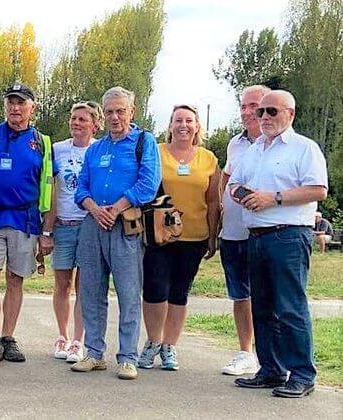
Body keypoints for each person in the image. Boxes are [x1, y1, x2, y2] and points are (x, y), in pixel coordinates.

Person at [230, 90, 328, 398]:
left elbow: (318, 190)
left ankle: (302, 373)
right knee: (262, 307)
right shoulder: (254, 149)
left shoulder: (304, 148)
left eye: (272, 111)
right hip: (256, 236)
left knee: (290, 307)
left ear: (291, 113)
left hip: (288, 235)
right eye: (260, 112)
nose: (265, 118)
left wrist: (272, 198)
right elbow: (234, 183)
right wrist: (244, 195)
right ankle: (270, 369)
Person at [71, 86, 160, 380]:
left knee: (128, 292)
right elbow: (81, 187)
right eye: (109, 112)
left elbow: (148, 184)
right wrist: (95, 209)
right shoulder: (96, 149)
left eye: (120, 111)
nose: (115, 117)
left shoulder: (144, 142)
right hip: (93, 225)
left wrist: (117, 208)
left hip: (126, 227)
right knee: (91, 291)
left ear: (131, 111)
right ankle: (94, 353)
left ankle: (128, 357)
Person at [0, 83, 56, 366]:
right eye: (11, 102)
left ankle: (9, 337)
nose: (15, 108)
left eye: (21, 103)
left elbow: (50, 186)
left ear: (32, 108)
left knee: (15, 279)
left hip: (25, 219)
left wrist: (46, 229)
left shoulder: (42, 142)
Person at [137, 104, 220, 371]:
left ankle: (170, 345)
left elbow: (213, 199)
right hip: (159, 234)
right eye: (178, 120)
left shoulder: (208, 158)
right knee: (154, 289)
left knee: (179, 292)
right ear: (170, 125)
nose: (183, 125)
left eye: (189, 121)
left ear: (197, 127)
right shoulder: (156, 152)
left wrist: (212, 235)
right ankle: (152, 341)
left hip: (194, 235)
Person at [218, 85, 269, 376]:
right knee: (240, 295)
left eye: (255, 105)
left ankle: (271, 356)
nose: (248, 112)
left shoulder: (278, 143)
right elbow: (225, 177)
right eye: (244, 106)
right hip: (234, 232)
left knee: (269, 294)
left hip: (266, 232)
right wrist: (220, 211)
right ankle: (245, 352)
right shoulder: (235, 144)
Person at [51, 101, 103, 363]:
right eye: (73, 118)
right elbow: (49, 189)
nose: (76, 123)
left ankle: (77, 341)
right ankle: (61, 335)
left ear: (94, 124)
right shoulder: (57, 149)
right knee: (62, 283)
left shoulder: (100, 149)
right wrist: (46, 229)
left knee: (85, 286)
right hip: (63, 224)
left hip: (89, 225)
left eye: (83, 119)